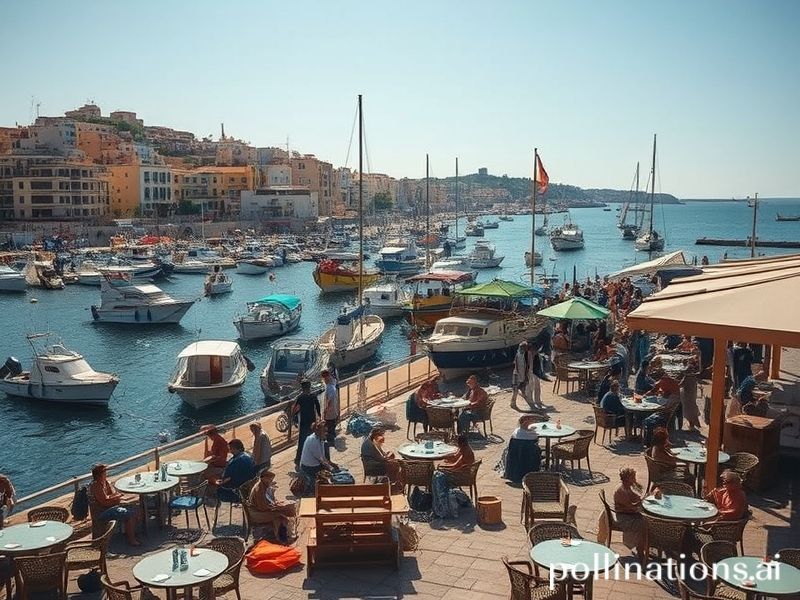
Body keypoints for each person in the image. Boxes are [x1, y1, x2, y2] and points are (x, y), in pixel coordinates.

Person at [88, 464, 140, 546]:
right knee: (129, 514)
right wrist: (117, 498)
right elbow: (104, 502)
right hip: (101, 512)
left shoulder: (105, 482)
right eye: (104, 471)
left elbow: (112, 494)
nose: (106, 473)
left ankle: (130, 531)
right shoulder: (95, 485)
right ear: (99, 474)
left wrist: (115, 498)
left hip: (109, 507)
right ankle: (132, 539)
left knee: (136, 508)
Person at [604, 467, 645, 562]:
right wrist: (641, 506)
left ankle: (642, 545)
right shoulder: (621, 490)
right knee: (643, 524)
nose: (635, 480)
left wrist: (641, 499)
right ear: (627, 479)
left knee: (643, 519)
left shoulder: (627, 487)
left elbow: (635, 498)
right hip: (622, 517)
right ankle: (640, 549)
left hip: (626, 512)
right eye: (633, 478)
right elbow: (632, 508)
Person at [247, 470, 297, 542]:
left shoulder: (264, 485)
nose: (271, 481)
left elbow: (269, 500)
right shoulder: (259, 490)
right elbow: (262, 507)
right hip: (256, 514)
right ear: (263, 478)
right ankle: (283, 538)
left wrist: (277, 504)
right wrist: (275, 508)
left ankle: (286, 534)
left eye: (271, 479)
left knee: (287, 508)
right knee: (279, 515)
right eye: (269, 479)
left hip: (262, 509)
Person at [215, 439, 257, 504]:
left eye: (230, 449)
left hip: (240, 490)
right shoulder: (248, 454)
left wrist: (217, 482)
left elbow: (225, 478)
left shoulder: (235, 461)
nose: (229, 451)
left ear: (234, 449)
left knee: (216, 491)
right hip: (252, 484)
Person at [292, 379, 321, 467]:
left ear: (302, 388)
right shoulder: (313, 396)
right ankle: (312, 457)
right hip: (312, 422)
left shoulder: (300, 398)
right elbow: (318, 407)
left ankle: (298, 459)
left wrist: (295, 419)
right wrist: (319, 416)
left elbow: (295, 410)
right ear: (309, 387)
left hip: (304, 423)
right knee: (312, 440)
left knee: (302, 441)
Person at [321, 370, 340, 458]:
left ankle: (330, 442)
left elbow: (329, 401)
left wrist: (325, 410)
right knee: (331, 425)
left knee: (329, 426)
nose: (324, 379)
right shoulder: (331, 384)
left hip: (330, 412)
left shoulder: (330, 387)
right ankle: (331, 440)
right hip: (333, 410)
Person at [511, 341, 532, 410]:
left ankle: (524, 396)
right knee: (515, 390)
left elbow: (528, 365)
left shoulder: (526, 354)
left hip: (523, 374)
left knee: (523, 387)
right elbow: (515, 365)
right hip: (517, 374)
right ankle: (513, 403)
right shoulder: (518, 354)